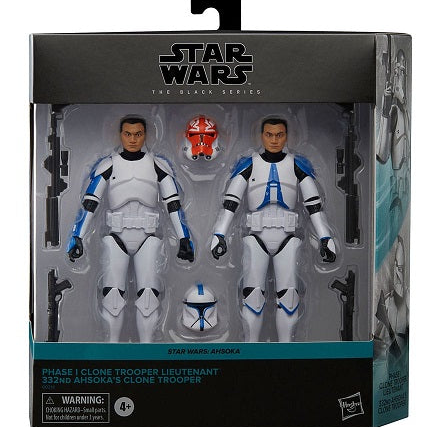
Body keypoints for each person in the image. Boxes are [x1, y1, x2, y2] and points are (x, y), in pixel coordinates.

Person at [67, 116, 194, 342]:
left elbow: (173, 204)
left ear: (145, 135)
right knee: (112, 297)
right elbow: (90, 202)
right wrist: (78, 235)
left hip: (148, 237)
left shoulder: (157, 165)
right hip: (116, 236)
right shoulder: (109, 165)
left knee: (149, 298)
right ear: (121, 135)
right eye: (128, 134)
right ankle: (113, 349)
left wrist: (184, 238)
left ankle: (147, 350)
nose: (133, 139)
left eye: (137, 134)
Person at [211, 118, 336, 342]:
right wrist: (219, 234)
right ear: (262, 136)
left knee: (289, 298)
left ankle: (285, 351)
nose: (274, 140)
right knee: (252, 297)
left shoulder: (297, 165)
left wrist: (325, 237)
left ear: (287, 136)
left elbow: (314, 206)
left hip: (287, 237)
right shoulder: (248, 164)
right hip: (255, 236)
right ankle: (251, 349)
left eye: (279, 135)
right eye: (269, 134)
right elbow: (230, 203)